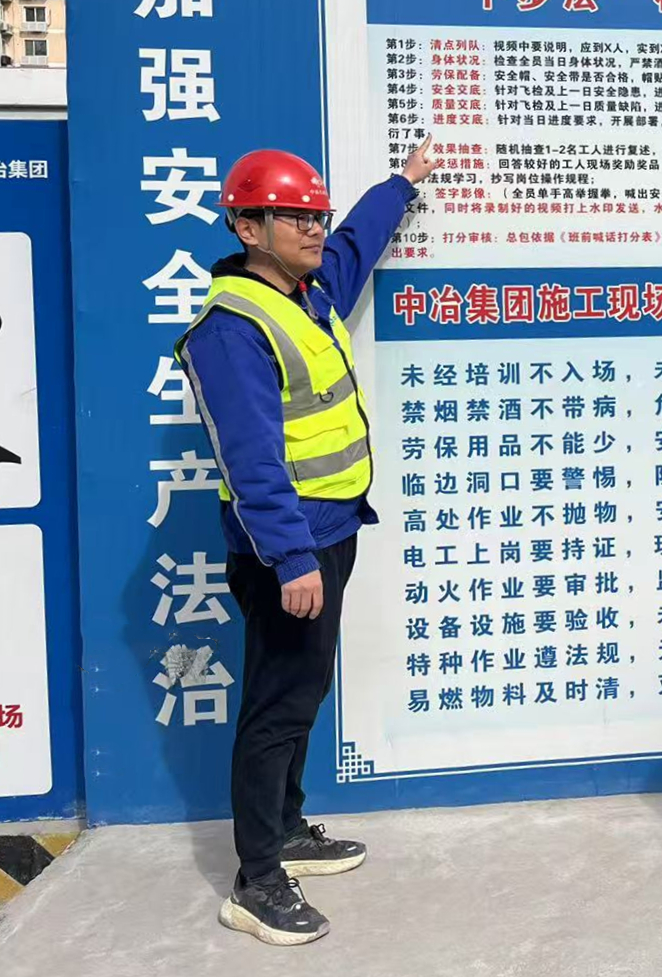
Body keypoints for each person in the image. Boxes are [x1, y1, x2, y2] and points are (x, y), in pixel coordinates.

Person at [175, 139, 436, 946]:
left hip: (331, 530)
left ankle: (287, 828)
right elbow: (250, 459)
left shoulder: (307, 293)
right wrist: (290, 557)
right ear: (247, 227)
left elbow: (355, 246)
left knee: (303, 691)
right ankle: (256, 880)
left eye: (316, 213)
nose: (314, 227)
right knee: (277, 706)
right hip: (286, 549)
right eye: (294, 216)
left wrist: (401, 184)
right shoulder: (232, 330)